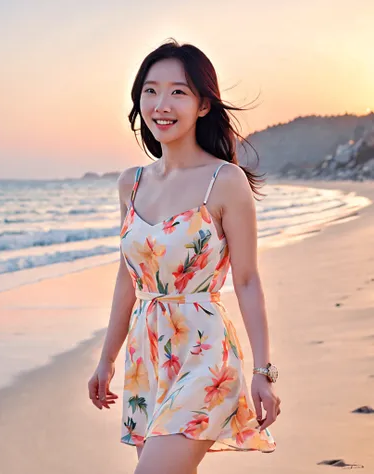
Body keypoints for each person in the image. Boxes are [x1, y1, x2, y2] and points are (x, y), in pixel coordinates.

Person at [87, 38, 281, 474]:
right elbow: (127, 278)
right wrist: (106, 359)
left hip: (205, 352)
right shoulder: (130, 183)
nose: (162, 103)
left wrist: (264, 371)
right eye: (151, 90)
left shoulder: (224, 180)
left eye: (178, 91)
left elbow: (247, 279)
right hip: (147, 356)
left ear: (203, 105)